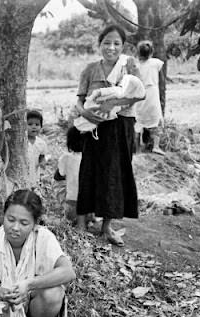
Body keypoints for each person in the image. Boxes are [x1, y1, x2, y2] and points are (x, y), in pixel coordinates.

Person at [75, 25, 144, 247]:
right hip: (94, 127)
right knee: (89, 170)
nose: (111, 47)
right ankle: (82, 223)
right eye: (106, 42)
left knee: (114, 174)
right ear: (99, 44)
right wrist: (85, 112)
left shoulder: (129, 65)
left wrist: (113, 104)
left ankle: (106, 227)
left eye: (116, 43)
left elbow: (139, 94)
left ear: (123, 46)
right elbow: (79, 98)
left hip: (120, 126)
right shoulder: (90, 69)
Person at [135, 40, 165, 155]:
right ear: (151, 52)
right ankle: (156, 146)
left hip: (139, 94)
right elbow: (161, 79)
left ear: (138, 53)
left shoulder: (136, 66)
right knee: (156, 121)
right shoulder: (156, 63)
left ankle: (137, 149)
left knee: (138, 122)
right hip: (152, 94)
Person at [54, 127, 84, 222]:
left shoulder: (66, 157)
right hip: (91, 208)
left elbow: (58, 176)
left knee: (59, 184)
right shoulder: (92, 159)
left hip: (72, 203)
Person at [26, 110, 48, 190]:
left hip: (35, 174)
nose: (34, 127)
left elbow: (42, 156)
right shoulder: (22, 142)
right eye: (30, 124)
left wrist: (42, 162)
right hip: (24, 172)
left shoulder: (41, 143)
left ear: (41, 127)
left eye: (37, 124)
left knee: (32, 189)